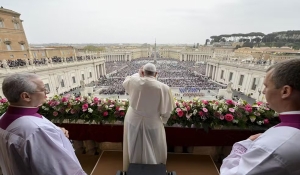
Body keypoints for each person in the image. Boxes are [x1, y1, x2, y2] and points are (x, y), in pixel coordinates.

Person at [220, 59, 300, 175]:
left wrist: (244, 145)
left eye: (266, 86)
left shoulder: (274, 146)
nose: (263, 91)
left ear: (285, 91)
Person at [0, 73, 86, 175]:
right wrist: (50, 133)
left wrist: (56, 132)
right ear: (26, 96)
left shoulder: (3, 118)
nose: (47, 93)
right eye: (43, 89)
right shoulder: (37, 130)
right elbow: (57, 170)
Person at [122, 63, 175, 171]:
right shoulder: (164, 88)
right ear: (156, 73)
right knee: (154, 147)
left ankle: (133, 166)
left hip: (133, 120)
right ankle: (154, 168)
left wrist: (139, 73)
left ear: (142, 72)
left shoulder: (134, 81)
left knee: (133, 145)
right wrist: (163, 121)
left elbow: (127, 80)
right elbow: (166, 112)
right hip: (153, 122)